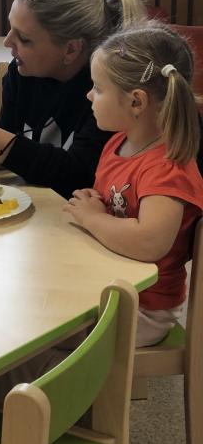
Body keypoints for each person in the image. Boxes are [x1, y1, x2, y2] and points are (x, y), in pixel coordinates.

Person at [0, 0, 146, 198]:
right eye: (10, 28)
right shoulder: (20, 73)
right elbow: (8, 143)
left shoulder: (105, 93)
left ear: (71, 49)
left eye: (24, 39)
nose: (7, 42)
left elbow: (78, 176)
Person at [65, 22, 203, 347]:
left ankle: (79, 381)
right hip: (111, 285)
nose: (89, 95)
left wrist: (92, 218)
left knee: (36, 336)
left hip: (143, 308)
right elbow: (117, 205)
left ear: (136, 102)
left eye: (98, 88)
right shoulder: (118, 143)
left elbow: (149, 242)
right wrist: (93, 202)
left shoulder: (166, 169)